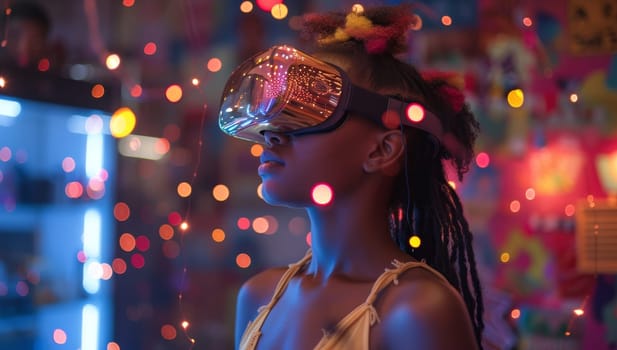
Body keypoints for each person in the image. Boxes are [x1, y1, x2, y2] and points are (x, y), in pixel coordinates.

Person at [218, 4, 484, 349]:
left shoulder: (418, 310)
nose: (273, 133)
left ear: (382, 150)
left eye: (312, 109)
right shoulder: (258, 295)